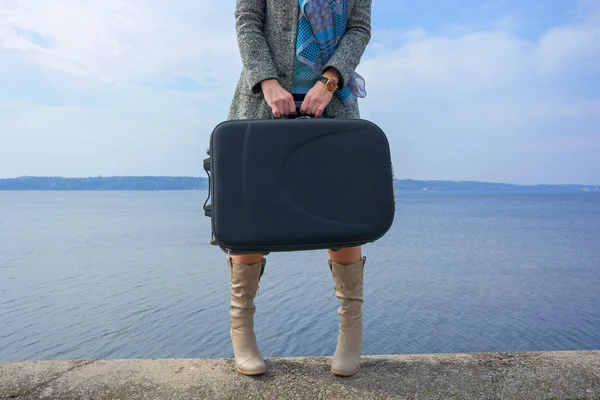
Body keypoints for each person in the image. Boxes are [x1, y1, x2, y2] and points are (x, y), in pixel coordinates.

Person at [226, 0, 372, 377]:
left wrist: (328, 82)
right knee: (251, 217)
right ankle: (242, 331)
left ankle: (350, 334)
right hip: (262, 102)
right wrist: (267, 81)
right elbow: (247, 20)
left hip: (333, 104)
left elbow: (358, 28)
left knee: (341, 219)